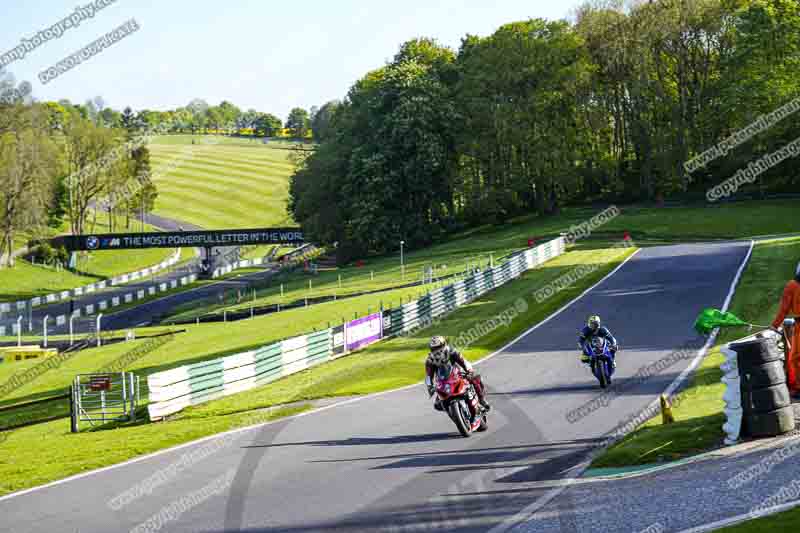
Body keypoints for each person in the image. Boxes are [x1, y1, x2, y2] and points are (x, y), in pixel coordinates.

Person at [425, 336, 490, 411]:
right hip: (443, 382)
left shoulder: (452, 351)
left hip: (458, 374)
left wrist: (469, 370)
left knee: (475, 379)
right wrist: (429, 386)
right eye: (434, 349)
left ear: (444, 345)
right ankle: (452, 412)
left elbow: (463, 361)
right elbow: (428, 376)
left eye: (439, 347)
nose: (437, 350)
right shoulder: (430, 361)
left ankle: (482, 400)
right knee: (437, 405)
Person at [772, 263, 800, 395]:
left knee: (795, 358)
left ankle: (797, 388)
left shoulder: (792, 286)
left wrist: (774, 325)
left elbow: (784, 309)